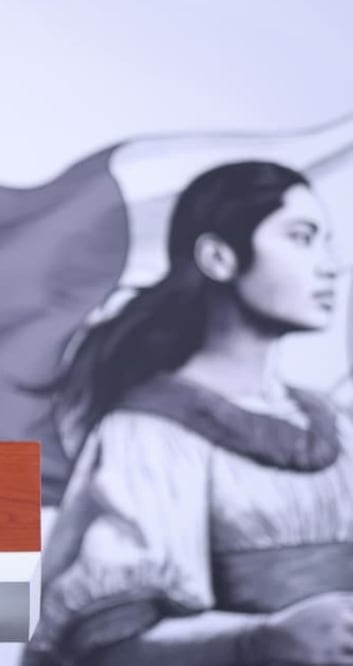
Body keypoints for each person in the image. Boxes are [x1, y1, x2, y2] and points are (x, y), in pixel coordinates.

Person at [23, 161, 353, 665]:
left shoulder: (334, 424)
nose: (331, 265)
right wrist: (261, 640)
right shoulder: (149, 434)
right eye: (302, 237)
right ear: (219, 257)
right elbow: (106, 640)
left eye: (327, 241)